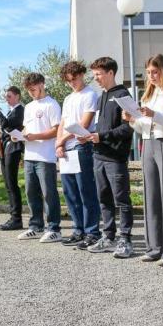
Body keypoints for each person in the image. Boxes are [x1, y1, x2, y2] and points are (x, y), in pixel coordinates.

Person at [125, 54, 163, 265]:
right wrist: (133, 119)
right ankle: (154, 248)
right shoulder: (148, 94)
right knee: (150, 197)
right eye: (148, 72)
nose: (151, 76)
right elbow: (143, 125)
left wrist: (154, 115)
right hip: (148, 143)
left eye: (155, 71)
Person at [82, 57, 134, 257]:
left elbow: (128, 128)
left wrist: (101, 136)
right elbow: (102, 126)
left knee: (121, 199)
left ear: (111, 73)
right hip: (99, 155)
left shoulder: (123, 95)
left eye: (98, 74)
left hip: (115, 158)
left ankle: (126, 240)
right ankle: (109, 237)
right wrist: (90, 135)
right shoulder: (102, 96)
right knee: (104, 199)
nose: (96, 79)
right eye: (94, 75)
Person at [55, 61, 101, 249]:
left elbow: (84, 123)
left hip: (82, 148)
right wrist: (58, 144)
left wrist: (62, 140)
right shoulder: (68, 99)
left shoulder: (90, 95)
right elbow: (63, 122)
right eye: (68, 81)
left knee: (86, 191)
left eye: (74, 79)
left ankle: (92, 231)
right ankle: (78, 229)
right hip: (67, 149)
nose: (72, 83)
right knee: (70, 192)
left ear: (81, 74)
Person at [17, 73, 62, 243]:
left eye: (34, 89)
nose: (32, 93)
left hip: (46, 156)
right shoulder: (28, 107)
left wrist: (35, 136)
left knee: (48, 193)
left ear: (42, 84)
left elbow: (56, 130)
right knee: (31, 192)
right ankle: (35, 226)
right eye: (29, 90)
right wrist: (19, 136)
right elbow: (27, 129)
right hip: (29, 156)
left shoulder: (52, 105)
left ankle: (54, 228)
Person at [0, 86, 25, 231]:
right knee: (8, 185)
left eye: (9, 96)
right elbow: (5, 127)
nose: (6, 99)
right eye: (6, 96)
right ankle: (13, 216)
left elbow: (5, 124)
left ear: (17, 96)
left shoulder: (19, 110)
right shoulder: (11, 111)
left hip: (13, 149)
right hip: (6, 149)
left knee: (12, 184)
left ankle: (17, 218)